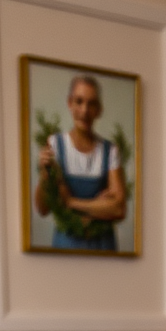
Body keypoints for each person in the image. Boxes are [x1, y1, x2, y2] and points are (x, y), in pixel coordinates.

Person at [35, 74, 127, 251]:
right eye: (79, 101)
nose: (84, 111)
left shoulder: (110, 151)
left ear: (99, 110)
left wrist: (70, 202)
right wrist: (44, 172)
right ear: (69, 103)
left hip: (103, 246)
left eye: (91, 104)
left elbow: (118, 209)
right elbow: (43, 208)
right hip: (66, 244)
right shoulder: (55, 145)